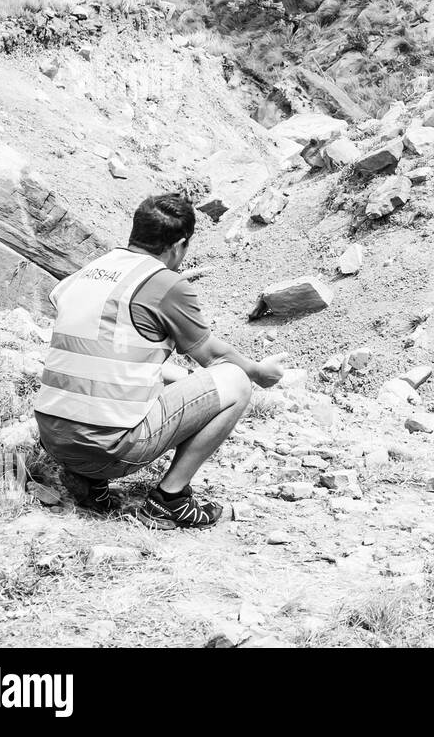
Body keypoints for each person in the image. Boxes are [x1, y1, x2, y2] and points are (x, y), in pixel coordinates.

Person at [34, 194, 287, 529]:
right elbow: (214, 357)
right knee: (235, 380)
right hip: (110, 448)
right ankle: (170, 499)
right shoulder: (165, 283)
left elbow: (111, 355)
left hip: (54, 438)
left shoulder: (90, 272)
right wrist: (258, 372)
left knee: (160, 374)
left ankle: (89, 480)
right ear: (179, 245)